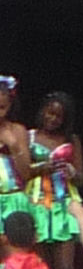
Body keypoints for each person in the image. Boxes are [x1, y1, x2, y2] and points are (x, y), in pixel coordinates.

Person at [27, 92, 83, 269]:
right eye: (49, 113)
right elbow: (21, 172)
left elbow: (82, 177)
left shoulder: (71, 140)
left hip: (63, 204)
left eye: (58, 116)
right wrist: (40, 168)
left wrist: (71, 171)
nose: (52, 119)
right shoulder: (29, 137)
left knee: (64, 268)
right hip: (37, 204)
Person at [0, 76, 31, 235]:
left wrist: (13, 145)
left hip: (14, 199)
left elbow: (26, 173)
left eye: (2, 106)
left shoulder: (18, 130)